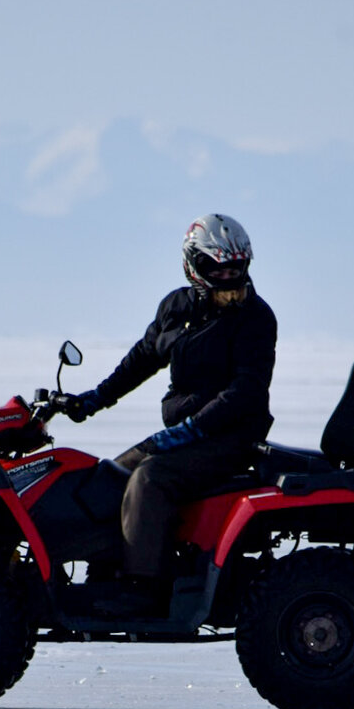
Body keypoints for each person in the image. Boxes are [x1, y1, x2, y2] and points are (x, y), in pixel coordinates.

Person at [68, 213, 278, 617]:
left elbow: (245, 391)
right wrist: (95, 399)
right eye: (216, 268)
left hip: (230, 437)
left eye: (235, 268)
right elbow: (143, 357)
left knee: (150, 478)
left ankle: (143, 589)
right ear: (193, 265)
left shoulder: (254, 317)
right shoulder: (176, 307)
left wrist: (193, 428)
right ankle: (106, 572)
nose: (228, 277)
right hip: (187, 433)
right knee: (109, 476)